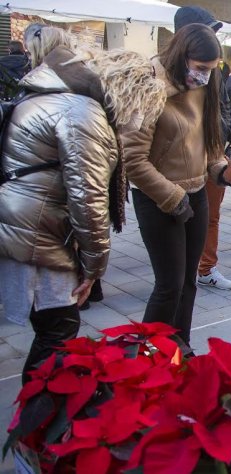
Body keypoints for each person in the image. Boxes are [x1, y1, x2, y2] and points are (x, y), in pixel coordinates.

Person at [0, 25, 165, 380]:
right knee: (57, 333)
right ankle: (38, 411)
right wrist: (94, 268)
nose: (135, 124)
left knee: (53, 328)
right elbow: (88, 200)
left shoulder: (59, 94)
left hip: (27, 221)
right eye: (138, 113)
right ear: (128, 95)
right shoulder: (82, 111)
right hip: (38, 230)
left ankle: (41, 406)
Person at [122, 24, 231, 349]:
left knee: (188, 283)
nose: (205, 75)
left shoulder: (203, 86)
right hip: (158, 198)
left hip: (195, 194)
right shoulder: (148, 87)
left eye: (212, 69)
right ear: (182, 57)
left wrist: (222, 170)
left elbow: (209, 143)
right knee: (169, 286)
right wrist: (172, 197)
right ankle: (147, 357)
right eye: (201, 68)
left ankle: (181, 349)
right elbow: (132, 160)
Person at [173, 6, 231, 291]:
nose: (213, 36)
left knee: (210, 216)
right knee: (176, 224)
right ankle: (181, 269)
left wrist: (220, 140)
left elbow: (223, 106)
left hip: (211, 155)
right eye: (209, 30)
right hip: (175, 167)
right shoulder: (162, 76)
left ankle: (205, 267)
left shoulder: (212, 72)